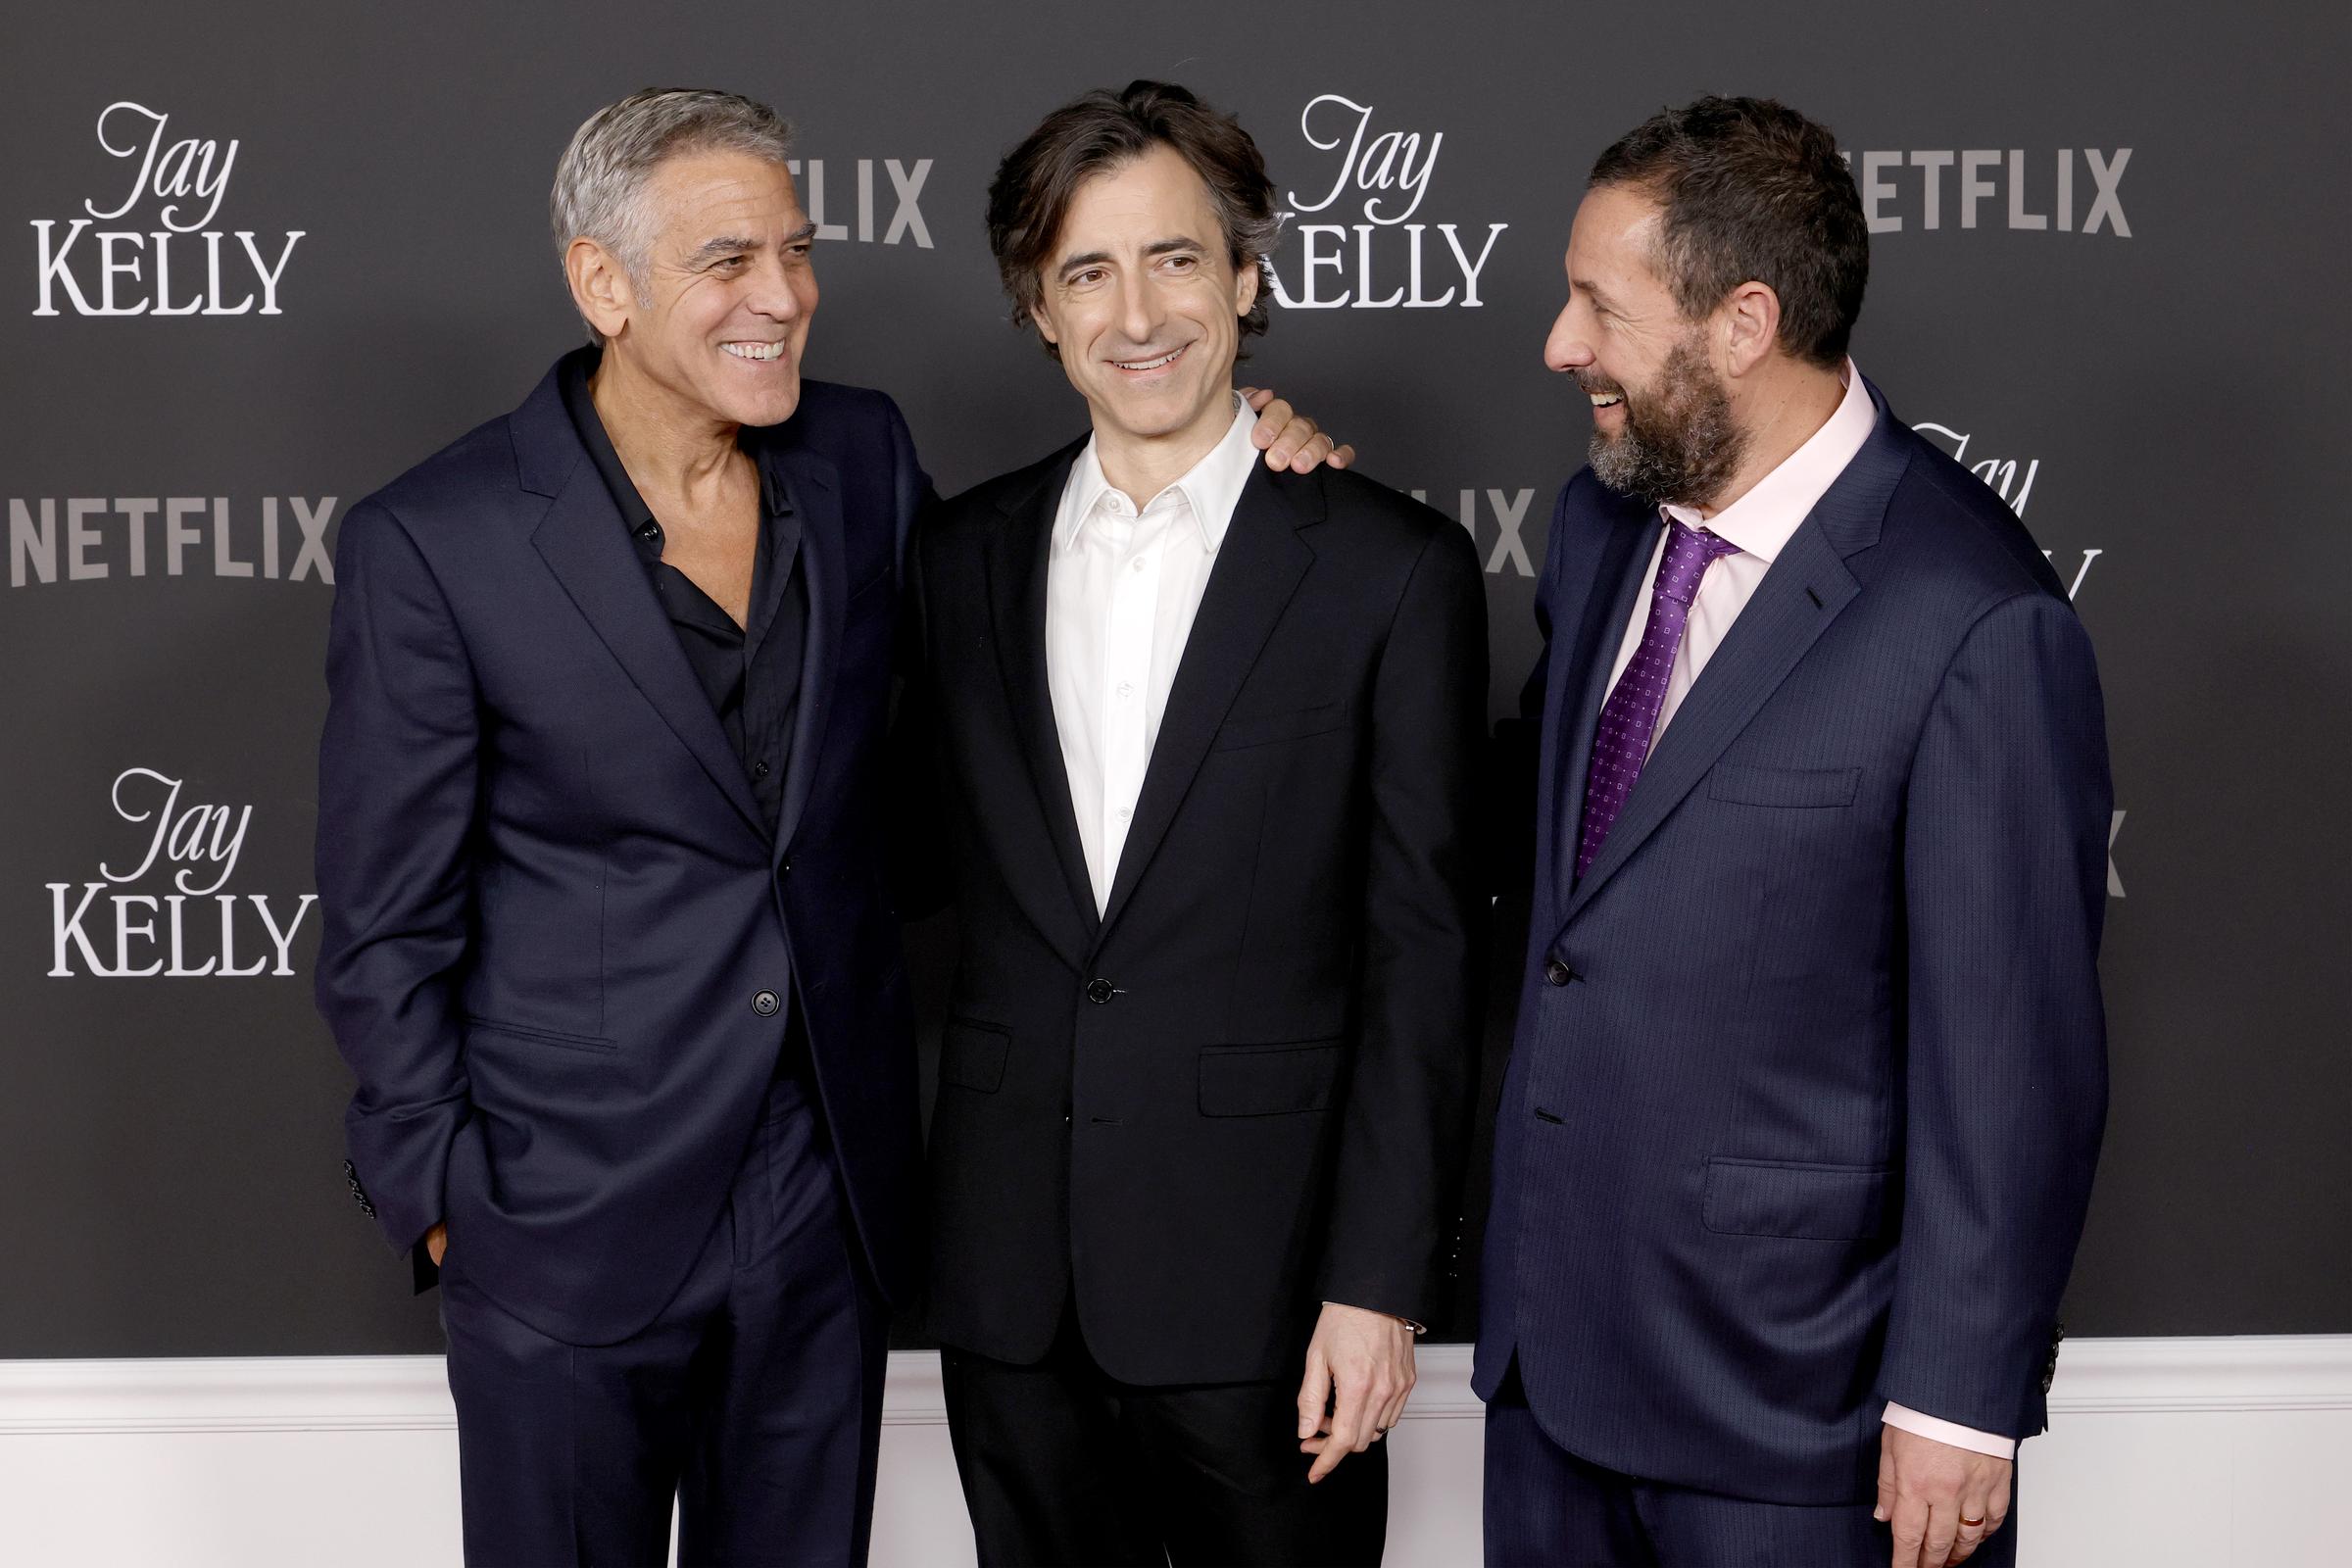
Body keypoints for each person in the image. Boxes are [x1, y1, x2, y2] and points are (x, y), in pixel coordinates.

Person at [315, 86, 1338, 1566]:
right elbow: (385, 918)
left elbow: (1025, 644)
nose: (785, 297)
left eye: (796, 251)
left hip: (821, 1211)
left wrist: (1248, 454)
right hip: (563, 1224)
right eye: (729, 262)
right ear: (603, 283)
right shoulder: (440, 541)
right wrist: (449, 1209)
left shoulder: (857, 462)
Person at [1475, 96, 2110, 1568]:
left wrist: (1959, 1401)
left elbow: (2012, 1051)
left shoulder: (1975, 619)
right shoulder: (1598, 527)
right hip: (1554, 1381)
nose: (1561, 347)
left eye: (1598, 305)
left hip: (1802, 1428)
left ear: (1744, 321)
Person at [901, 80, 1487, 1567]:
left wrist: (1382, 1285)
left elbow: (1422, 953)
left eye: (1173, 259)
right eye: (1086, 272)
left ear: (1244, 273)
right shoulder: (957, 559)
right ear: (1039, 308)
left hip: (1275, 1293)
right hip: (1010, 1290)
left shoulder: (1388, 569)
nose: (1136, 311)